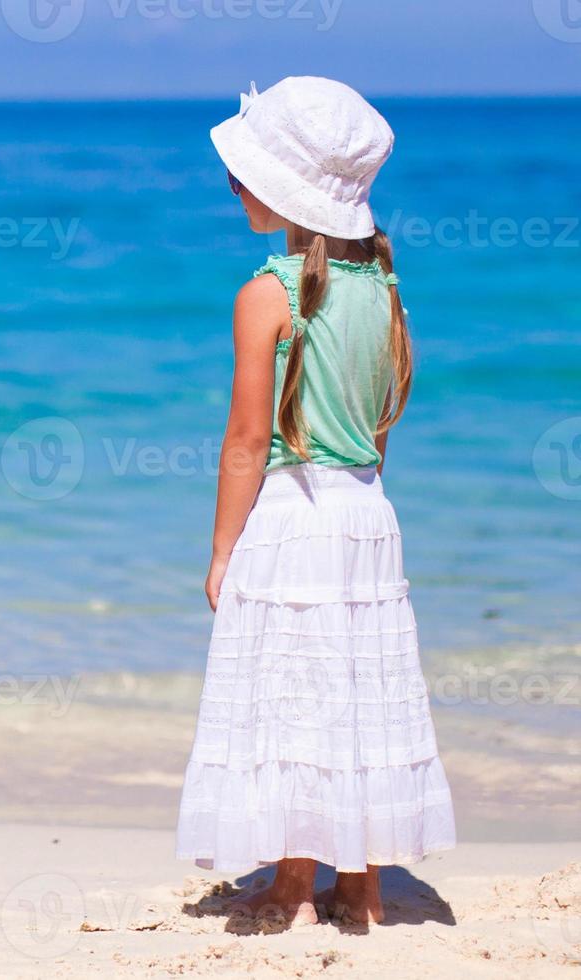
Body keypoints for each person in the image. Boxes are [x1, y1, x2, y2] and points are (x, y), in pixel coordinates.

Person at [174, 76, 457, 926]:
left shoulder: (269, 294)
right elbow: (378, 419)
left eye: (245, 173)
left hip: (295, 515)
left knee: (296, 691)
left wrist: (223, 552)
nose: (235, 188)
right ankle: (362, 880)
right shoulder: (384, 288)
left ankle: (297, 879)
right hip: (369, 510)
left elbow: (245, 441)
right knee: (358, 688)